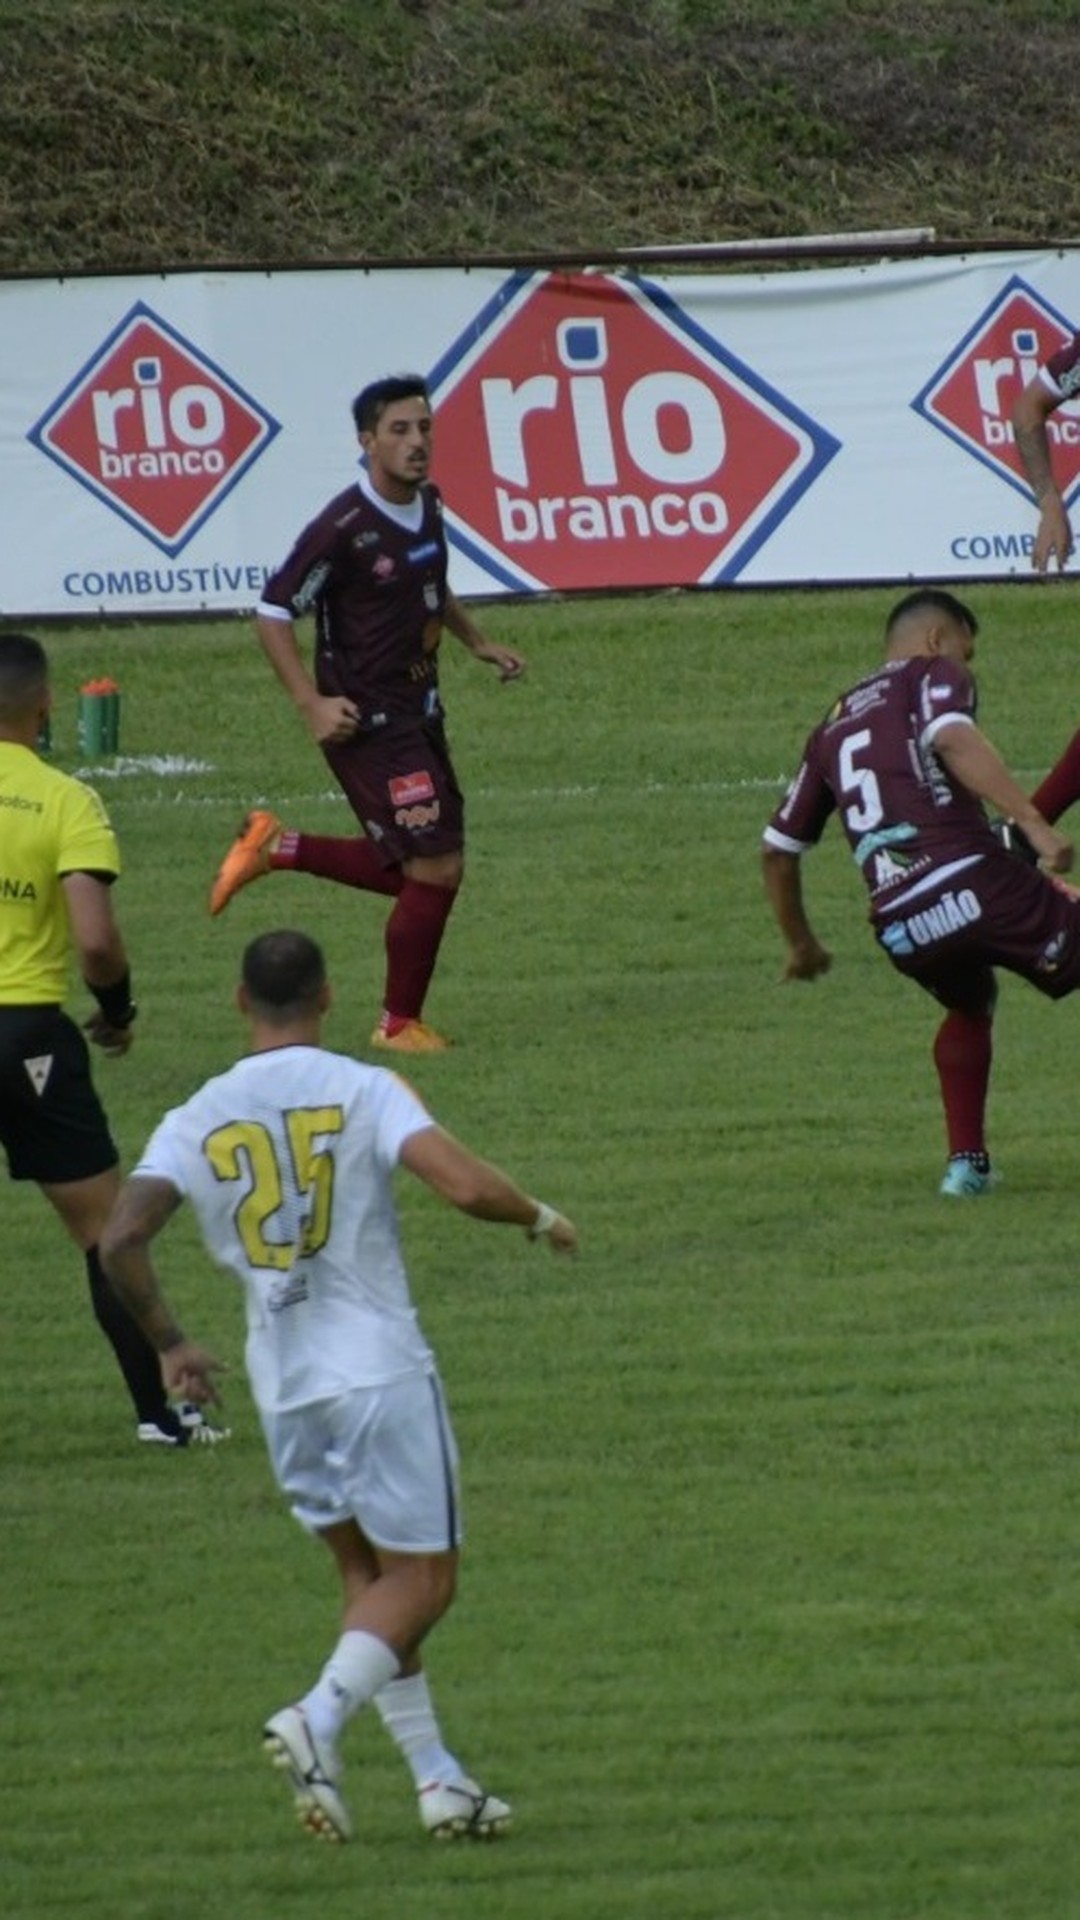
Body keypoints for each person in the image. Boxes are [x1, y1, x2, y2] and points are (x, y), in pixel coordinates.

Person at [99, 928, 577, 1844]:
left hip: (285, 1388)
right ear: (326, 996)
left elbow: (120, 1237)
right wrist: (539, 1216)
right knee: (426, 1581)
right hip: (379, 1374)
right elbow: (466, 1188)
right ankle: (315, 1718)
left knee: (370, 1582)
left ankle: (439, 1780)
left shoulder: (195, 1113)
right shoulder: (363, 1086)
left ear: (240, 1002)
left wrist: (170, 1344)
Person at [208, 373, 526, 1056]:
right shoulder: (343, 529)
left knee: (429, 864)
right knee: (435, 866)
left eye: (425, 428)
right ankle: (396, 1024)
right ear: (367, 441)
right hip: (367, 722)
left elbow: (431, 586)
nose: (418, 443)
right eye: (401, 431)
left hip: (421, 711)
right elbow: (271, 612)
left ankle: (276, 847)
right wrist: (311, 704)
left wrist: (476, 643)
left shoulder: (429, 505)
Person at [761, 587, 1080, 1196]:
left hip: (904, 925)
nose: (969, 666)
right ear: (938, 639)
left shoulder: (830, 727)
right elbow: (954, 740)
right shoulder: (931, 674)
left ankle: (966, 1168)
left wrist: (801, 945)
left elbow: (778, 849)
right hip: (976, 883)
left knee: (970, 1002)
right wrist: (1036, 827)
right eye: (968, 650)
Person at [0, 631, 225, 1446]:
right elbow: (95, 941)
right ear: (46, 708)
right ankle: (161, 1415)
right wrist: (118, 1011)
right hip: (23, 1035)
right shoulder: (64, 800)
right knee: (103, 1231)